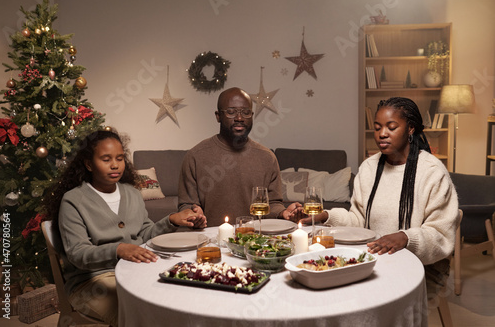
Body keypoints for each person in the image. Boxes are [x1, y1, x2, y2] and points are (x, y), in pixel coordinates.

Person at [291, 97, 459, 297]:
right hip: (374, 259)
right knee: (331, 290)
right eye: (377, 127)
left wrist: (406, 237)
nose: (382, 134)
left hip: (423, 266)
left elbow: (441, 235)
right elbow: (359, 220)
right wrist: (326, 216)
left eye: (391, 127)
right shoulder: (370, 167)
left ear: (411, 128)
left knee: (370, 299)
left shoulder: (431, 172)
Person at [45, 129, 206, 326]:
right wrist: (118, 249)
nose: (115, 165)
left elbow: (145, 234)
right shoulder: (73, 201)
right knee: (142, 316)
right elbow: (78, 254)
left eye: (120, 158)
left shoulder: (131, 193)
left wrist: (171, 220)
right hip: (91, 283)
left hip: (135, 271)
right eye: (106, 159)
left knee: (175, 301)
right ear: (89, 164)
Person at [178, 87, 302, 227]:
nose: (239, 118)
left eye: (246, 112)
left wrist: (284, 213)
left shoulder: (267, 157)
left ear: (252, 115)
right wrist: (194, 214)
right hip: (210, 242)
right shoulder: (195, 156)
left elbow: (273, 204)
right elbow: (186, 206)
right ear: (218, 116)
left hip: (255, 241)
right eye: (231, 112)